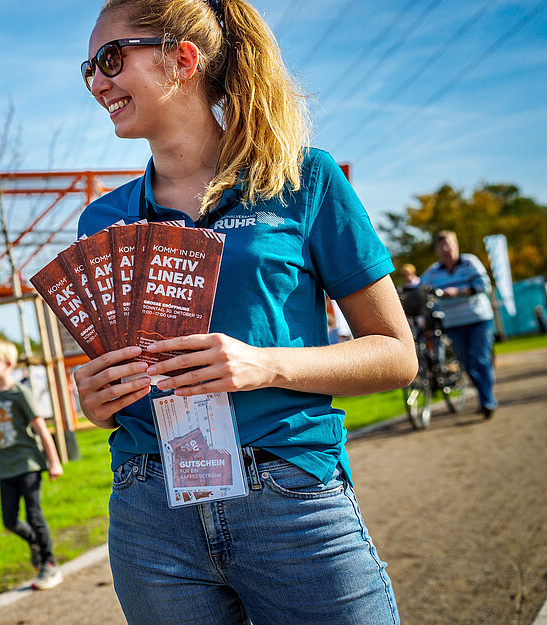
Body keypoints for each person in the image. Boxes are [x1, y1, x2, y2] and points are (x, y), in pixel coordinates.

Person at [73, 1, 417, 623]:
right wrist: (96, 400)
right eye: (88, 69)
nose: (98, 81)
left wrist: (266, 365)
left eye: (111, 59)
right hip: (151, 511)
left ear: (183, 60)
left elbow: (396, 354)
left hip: (290, 497)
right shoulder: (102, 219)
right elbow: (122, 385)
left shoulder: (303, 178)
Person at [0, 339, 65, 590]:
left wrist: (54, 461)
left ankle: (49, 565)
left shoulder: (20, 393)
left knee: (34, 515)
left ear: (7, 364)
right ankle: (36, 544)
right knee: (10, 520)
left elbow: (40, 429)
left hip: (28, 464)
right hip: (5, 470)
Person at [419, 230, 498, 418]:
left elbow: (485, 286)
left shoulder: (470, 262)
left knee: (480, 359)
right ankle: (484, 395)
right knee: (467, 363)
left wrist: (459, 291)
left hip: (478, 318)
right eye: (441, 246)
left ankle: (487, 400)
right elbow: (420, 290)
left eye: (449, 244)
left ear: (456, 245)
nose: (446, 249)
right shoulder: (432, 272)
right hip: (454, 323)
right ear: (437, 250)